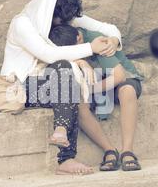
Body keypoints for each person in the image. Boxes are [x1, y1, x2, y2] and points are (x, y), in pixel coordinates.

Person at [0, 0, 122, 175]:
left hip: (52, 84)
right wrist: (89, 50)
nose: (63, 25)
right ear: (50, 11)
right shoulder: (22, 24)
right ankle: (66, 156)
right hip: (19, 88)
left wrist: (113, 40)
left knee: (67, 79)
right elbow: (48, 54)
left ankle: (61, 137)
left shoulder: (62, 16)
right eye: (60, 21)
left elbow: (108, 28)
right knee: (65, 70)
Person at [49, 24, 143, 171]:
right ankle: (110, 151)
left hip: (121, 81)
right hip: (97, 85)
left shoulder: (96, 41)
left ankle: (127, 151)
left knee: (127, 91)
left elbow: (119, 76)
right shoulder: (64, 45)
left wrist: (89, 89)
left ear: (79, 38)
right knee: (77, 104)